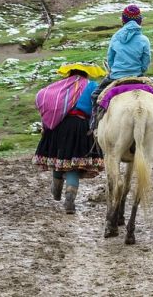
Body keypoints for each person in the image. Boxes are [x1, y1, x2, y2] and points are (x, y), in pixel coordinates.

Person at [33, 62, 106, 214]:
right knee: (74, 164)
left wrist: (46, 124)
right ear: (86, 73)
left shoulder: (59, 86)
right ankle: (70, 200)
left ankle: (56, 189)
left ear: (70, 73)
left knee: (59, 157)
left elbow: (44, 97)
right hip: (80, 126)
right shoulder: (91, 85)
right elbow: (98, 107)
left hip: (58, 125)